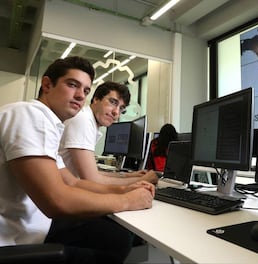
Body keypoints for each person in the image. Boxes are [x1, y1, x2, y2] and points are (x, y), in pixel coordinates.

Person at [0, 56, 155, 264]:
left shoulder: (46, 123)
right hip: (13, 238)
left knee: (115, 235)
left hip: (31, 220)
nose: (80, 96)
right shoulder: (30, 116)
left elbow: (72, 182)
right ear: (47, 85)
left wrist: (124, 189)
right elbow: (56, 201)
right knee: (117, 239)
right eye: (72, 85)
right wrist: (129, 200)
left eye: (85, 90)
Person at [59, 81, 158, 185]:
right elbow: (92, 180)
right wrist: (144, 180)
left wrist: (127, 175)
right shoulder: (83, 120)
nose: (116, 112)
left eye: (121, 108)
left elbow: (93, 173)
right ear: (96, 99)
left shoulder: (88, 120)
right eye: (113, 102)